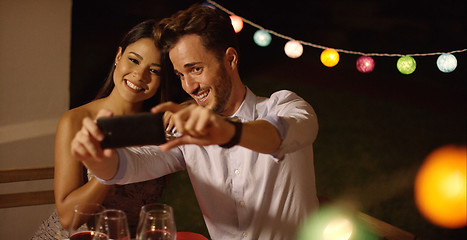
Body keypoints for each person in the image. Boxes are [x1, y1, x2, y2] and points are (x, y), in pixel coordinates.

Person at [71, 4, 319, 240]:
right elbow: (132, 165)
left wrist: (226, 132)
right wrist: (99, 159)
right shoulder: (189, 130)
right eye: (180, 74)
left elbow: (279, 135)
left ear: (230, 59)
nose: (189, 86)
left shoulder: (285, 105)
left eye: (196, 69)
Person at [31, 19, 171, 239]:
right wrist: (112, 165)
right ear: (118, 57)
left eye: (154, 70)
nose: (139, 75)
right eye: (133, 60)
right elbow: (69, 218)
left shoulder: (161, 125)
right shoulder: (77, 121)